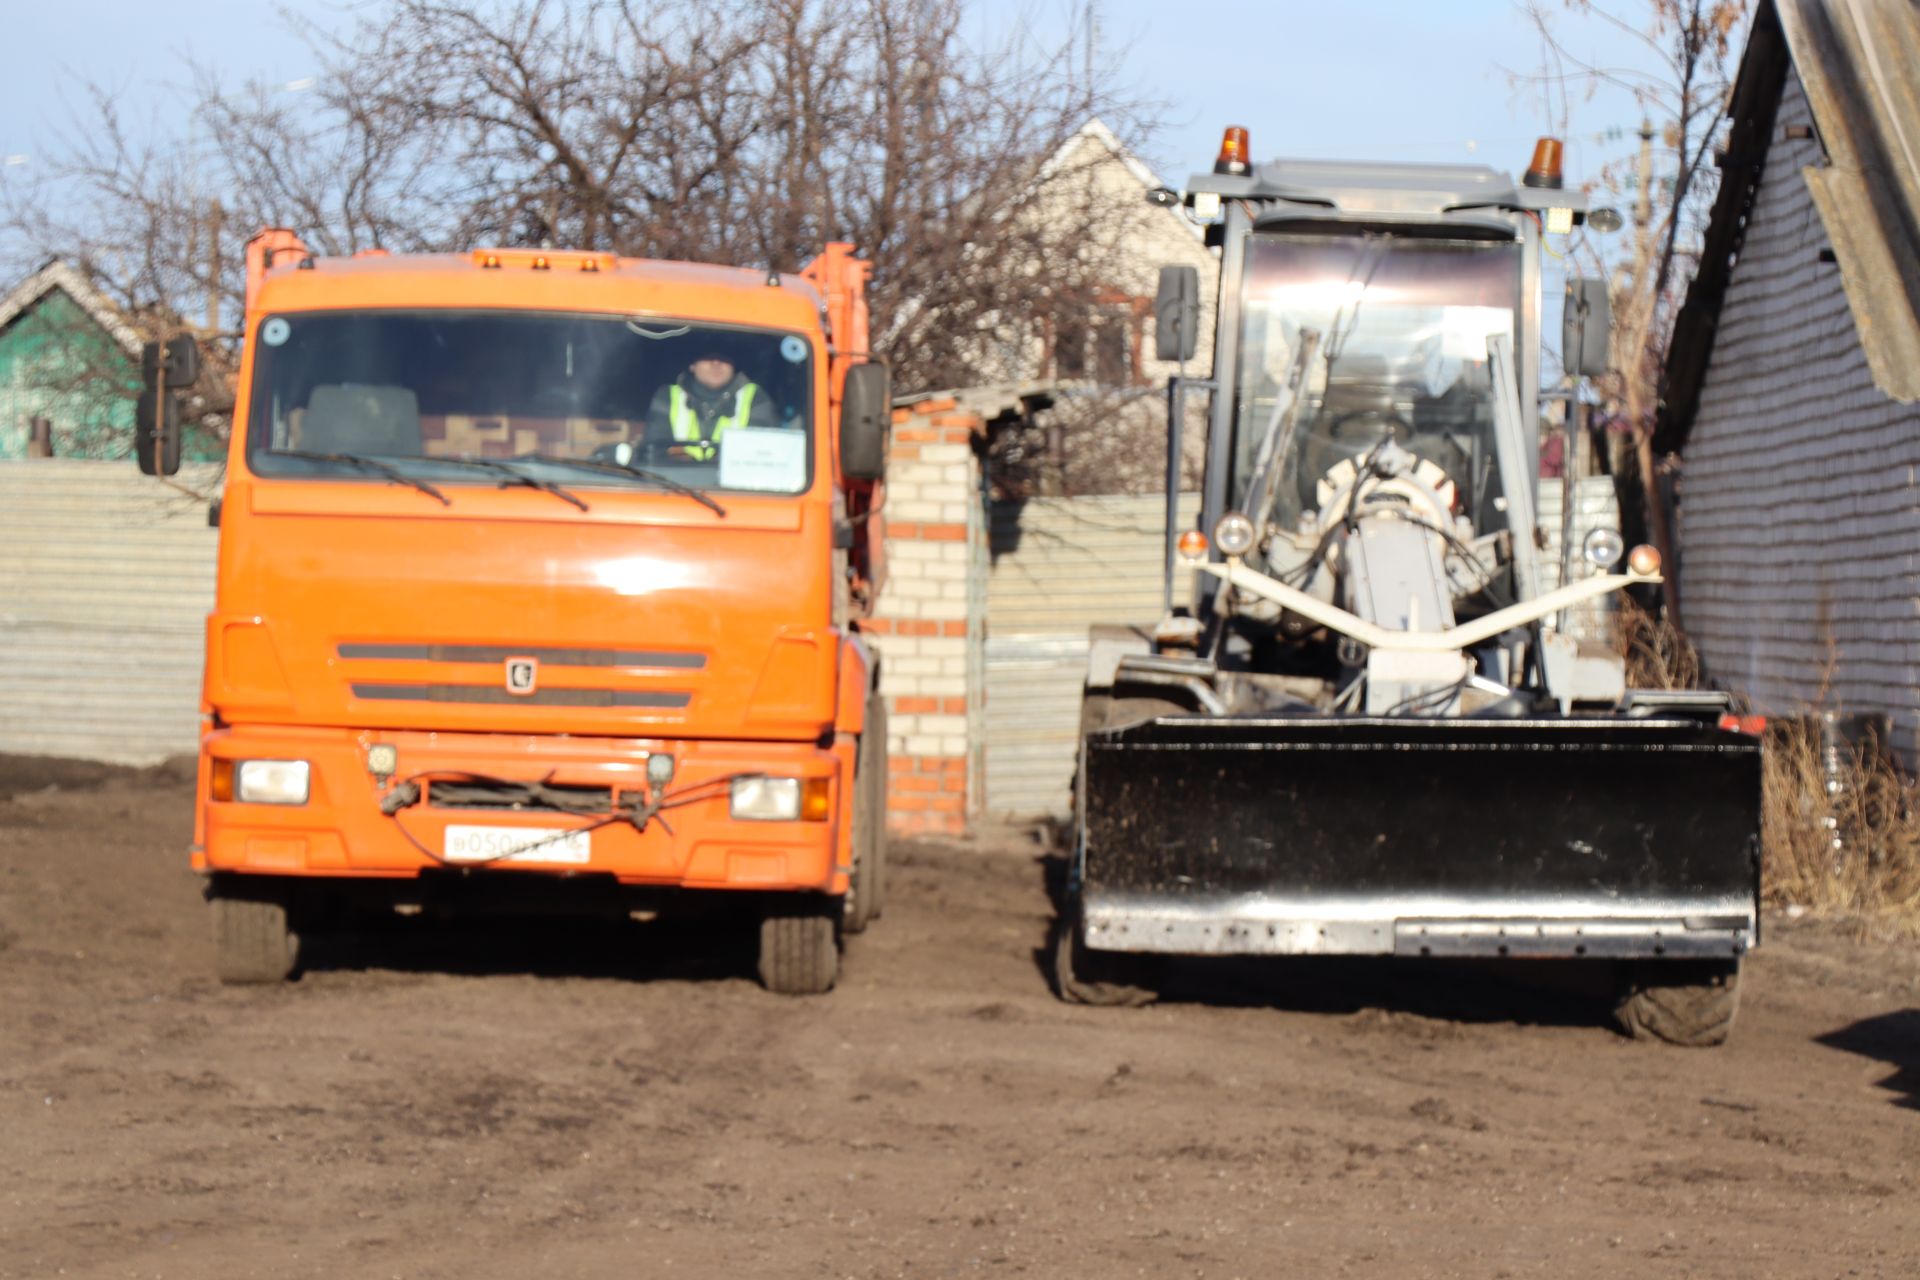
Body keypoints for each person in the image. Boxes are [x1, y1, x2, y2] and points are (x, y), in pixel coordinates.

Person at [646, 343, 774, 461]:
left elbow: (760, 453)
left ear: (733, 365)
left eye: (724, 358)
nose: (716, 363)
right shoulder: (667, 396)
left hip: (732, 484)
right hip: (673, 482)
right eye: (707, 357)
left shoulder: (755, 398)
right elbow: (656, 449)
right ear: (692, 365)